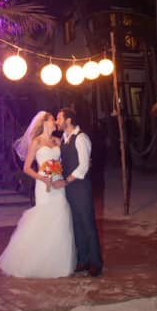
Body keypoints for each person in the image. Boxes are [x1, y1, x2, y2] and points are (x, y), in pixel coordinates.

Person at [0, 110, 76, 278]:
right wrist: (42, 177)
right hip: (43, 185)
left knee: (60, 215)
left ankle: (56, 262)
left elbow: (64, 161)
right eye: (52, 119)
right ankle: (31, 260)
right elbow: (26, 168)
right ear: (44, 123)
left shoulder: (57, 140)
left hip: (58, 184)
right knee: (44, 218)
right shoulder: (36, 142)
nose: (55, 122)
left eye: (55, 119)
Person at [56, 106, 103, 277]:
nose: (57, 122)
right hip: (69, 188)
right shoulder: (63, 138)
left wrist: (67, 180)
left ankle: (96, 262)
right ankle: (83, 260)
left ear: (68, 120)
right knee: (76, 224)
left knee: (87, 224)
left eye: (59, 118)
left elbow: (84, 166)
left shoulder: (81, 138)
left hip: (81, 187)